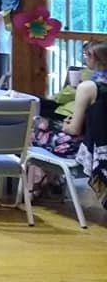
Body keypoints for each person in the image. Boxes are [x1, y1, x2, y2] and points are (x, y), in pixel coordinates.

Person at [29, 41, 107, 196]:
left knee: (33, 132)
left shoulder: (89, 87)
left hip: (86, 150)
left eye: (87, 56)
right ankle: (50, 180)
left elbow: (74, 129)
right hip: (102, 148)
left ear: (95, 58)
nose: (85, 60)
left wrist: (66, 125)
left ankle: (36, 184)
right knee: (46, 128)